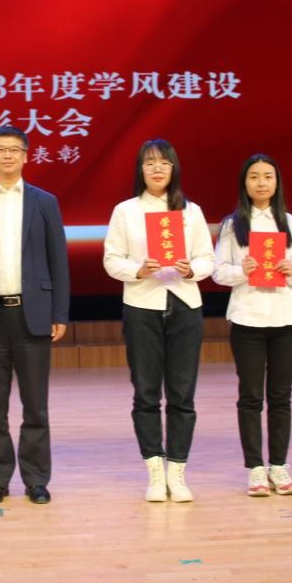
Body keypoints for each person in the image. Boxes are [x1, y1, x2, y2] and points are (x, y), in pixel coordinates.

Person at [0, 125, 70, 506]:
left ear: (26, 156)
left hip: (33, 314)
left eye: (14, 149)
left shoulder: (44, 202)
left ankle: (36, 479)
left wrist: (59, 312)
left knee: (36, 406)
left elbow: (58, 260)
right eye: (0, 149)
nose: (7, 155)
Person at [103, 139, 215, 503]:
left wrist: (190, 268)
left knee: (182, 393)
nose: (156, 168)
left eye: (164, 162)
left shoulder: (191, 212)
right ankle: (154, 471)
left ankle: (177, 471)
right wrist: (139, 269)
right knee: (146, 392)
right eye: (149, 162)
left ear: (173, 168)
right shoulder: (125, 211)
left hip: (184, 305)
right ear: (141, 169)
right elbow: (111, 260)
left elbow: (207, 258)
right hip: (142, 305)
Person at [212, 154, 292, 497]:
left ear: (277, 182)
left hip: (286, 318)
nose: (262, 182)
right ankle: (255, 468)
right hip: (247, 318)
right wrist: (243, 270)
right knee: (251, 396)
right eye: (254, 176)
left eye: (268, 176)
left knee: (281, 396)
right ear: (245, 183)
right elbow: (218, 272)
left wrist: (291, 270)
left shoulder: (290, 223)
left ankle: (279, 466)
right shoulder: (232, 225)